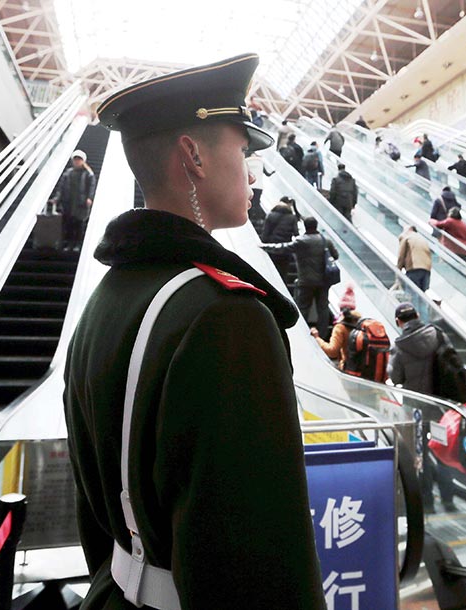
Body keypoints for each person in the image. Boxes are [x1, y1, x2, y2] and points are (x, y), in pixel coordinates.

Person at [65, 54, 324, 609]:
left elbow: (92, 504)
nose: (252, 173)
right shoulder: (224, 317)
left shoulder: (104, 300)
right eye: (242, 151)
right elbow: (255, 559)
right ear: (194, 155)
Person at [388, 302, 457, 511]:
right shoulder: (438, 334)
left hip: (415, 408)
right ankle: (449, 499)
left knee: (420, 454)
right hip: (439, 405)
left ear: (399, 322)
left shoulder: (399, 345)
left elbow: (396, 376)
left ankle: (427, 502)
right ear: (418, 315)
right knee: (442, 449)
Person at [261, 216, 338, 340]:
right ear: (316, 226)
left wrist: (265, 246)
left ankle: (300, 335)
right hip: (323, 281)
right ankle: (323, 336)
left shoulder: (301, 241)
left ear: (306, 226)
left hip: (306, 280)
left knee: (303, 307)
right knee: (323, 308)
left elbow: (283, 248)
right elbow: (335, 255)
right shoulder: (325, 241)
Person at [50, 149, 97, 250]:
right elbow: (61, 188)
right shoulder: (68, 173)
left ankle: (77, 245)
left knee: (79, 225)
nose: (77, 161)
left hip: (81, 204)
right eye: (75, 159)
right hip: (68, 203)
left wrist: (89, 198)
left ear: (83, 160)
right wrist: (57, 199)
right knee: (69, 225)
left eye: (79, 159)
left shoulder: (88, 174)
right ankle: (69, 244)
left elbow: (92, 187)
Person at [313, 285, 360, 369]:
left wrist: (317, 338)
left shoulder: (340, 327)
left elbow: (332, 351)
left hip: (349, 369)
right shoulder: (360, 324)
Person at [261, 197, 299, 285]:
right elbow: (296, 233)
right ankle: (283, 289)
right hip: (285, 249)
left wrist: (263, 245)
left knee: (271, 270)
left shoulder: (270, 214)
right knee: (283, 272)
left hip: (272, 248)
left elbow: (265, 233)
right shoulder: (292, 217)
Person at [397, 226, 432, 292]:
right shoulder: (422, 239)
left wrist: (398, 272)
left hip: (414, 268)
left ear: (410, 229)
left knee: (412, 294)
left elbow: (401, 257)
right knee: (421, 294)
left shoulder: (406, 237)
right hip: (426, 270)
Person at [245, 153, 273, 236]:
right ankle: (257, 217)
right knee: (257, 202)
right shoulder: (261, 162)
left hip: (250, 186)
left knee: (249, 202)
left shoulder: (246, 162)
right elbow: (268, 173)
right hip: (259, 187)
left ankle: (250, 217)